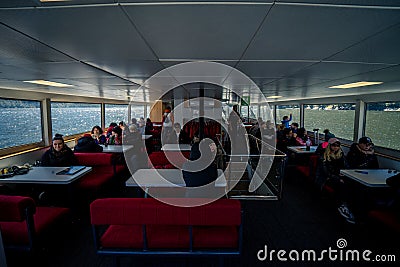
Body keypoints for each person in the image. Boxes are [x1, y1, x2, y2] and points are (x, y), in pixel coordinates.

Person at [315, 138, 354, 223]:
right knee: (341, 184)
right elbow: (325, 172)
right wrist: (337, 177)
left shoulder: (341, 155)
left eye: (337, 145)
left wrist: (345, 174)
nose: (336, 147)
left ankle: (348, 205)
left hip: (338, 175)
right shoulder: (323, 156)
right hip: (325, 178)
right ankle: (341, 205)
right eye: (333, 145)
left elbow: (346, 166)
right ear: (329, 146)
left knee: (351, 183)